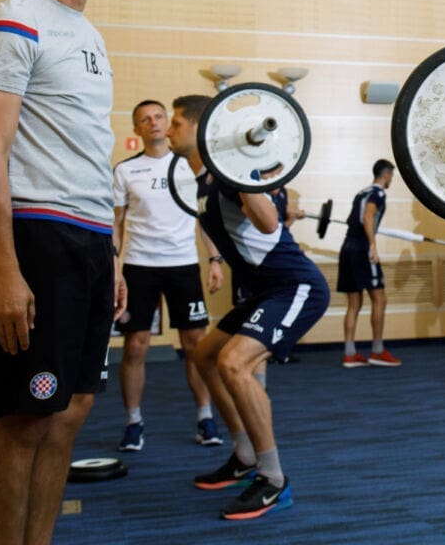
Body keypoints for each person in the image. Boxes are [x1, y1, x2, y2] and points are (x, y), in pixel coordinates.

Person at [0, 0, 127, 545]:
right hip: (35, 239)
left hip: (88, 244)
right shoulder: (15, 22)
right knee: (25, 418)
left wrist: (111, 258)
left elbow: (87, 156)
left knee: (70, 412)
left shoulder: (88, 35)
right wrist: (5, 269)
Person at [167, 95, 330, 520]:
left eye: (176, 123)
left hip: (295, 286)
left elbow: (268, 223)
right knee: (204, 355)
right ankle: (243, 454)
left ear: (201, 129)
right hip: (262, 290)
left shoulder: (228, 175)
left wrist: (242, 174)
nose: (168, 130)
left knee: (235, 365)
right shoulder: (202, 181)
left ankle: (273, 479)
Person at [113, 99, 225, 451]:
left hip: (182, 266)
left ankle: (205, 418)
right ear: (137, 129)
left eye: (159, 117)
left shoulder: (188, 168)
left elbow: (202, 218)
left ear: (167, 123)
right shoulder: (125, 171)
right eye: (145, 119)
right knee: (136, 345)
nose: (154, 123)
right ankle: (134, 422)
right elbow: (115, 224)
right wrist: (114, 271)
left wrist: (215, 259)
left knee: (195, 346)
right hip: (139, 267)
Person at [338, 159, 401, 367]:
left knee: (354, 304)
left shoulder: (361, 192)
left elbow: (351, 220)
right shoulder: (379, 193)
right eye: (391, 176)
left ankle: (349, 353)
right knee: (380, 299)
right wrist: (372, 246)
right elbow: (367, 217)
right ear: (385, 175)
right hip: (362, 249)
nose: (391, 179)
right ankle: (377, 351)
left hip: (347, 248)